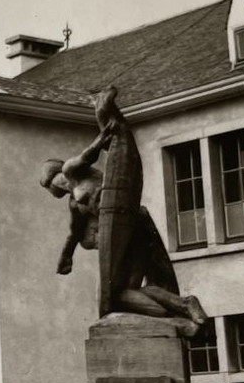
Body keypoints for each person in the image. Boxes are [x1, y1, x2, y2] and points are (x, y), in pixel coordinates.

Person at [39, 87, 208, 337]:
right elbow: (73, 233)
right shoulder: (75, 205)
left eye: (50, 187)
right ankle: (184, 306)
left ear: (53, 179)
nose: (54, 192)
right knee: (124, 294)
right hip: (127, 229)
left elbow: (86, 156)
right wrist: (67, 257)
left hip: (123, 212)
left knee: (110, 298)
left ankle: (182, 310)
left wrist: (104, 136)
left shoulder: (70, 171)